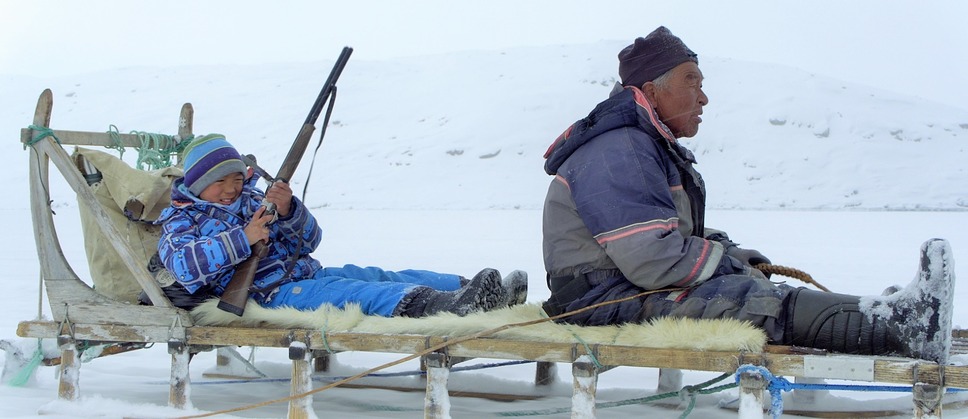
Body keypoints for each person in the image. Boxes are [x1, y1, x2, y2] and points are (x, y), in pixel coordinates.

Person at [540, 26, 953, 363]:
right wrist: (728, 270)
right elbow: (653, 259)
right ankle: (900, 327)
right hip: (602, 299)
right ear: (650, 92)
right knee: (752, 301)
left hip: (625, 284)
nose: (703, 97)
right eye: (692, 82)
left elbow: (669, 234)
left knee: (748, 287)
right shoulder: (620, 150)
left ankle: (882, 317)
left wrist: (731, 255)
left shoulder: (642, 146)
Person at [147, 134, 527, 317]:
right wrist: (243, 238)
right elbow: (184, 267)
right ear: (197, 184)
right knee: (359, 293)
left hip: (308, 274)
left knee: (377, 274)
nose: (232, 190)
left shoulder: (251, 199)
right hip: (269, 295)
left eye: (235, 179)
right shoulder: (180, 220)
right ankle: (450, 306)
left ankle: (471, 287)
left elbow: (311, 241)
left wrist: (290, 209)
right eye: (220, 182)